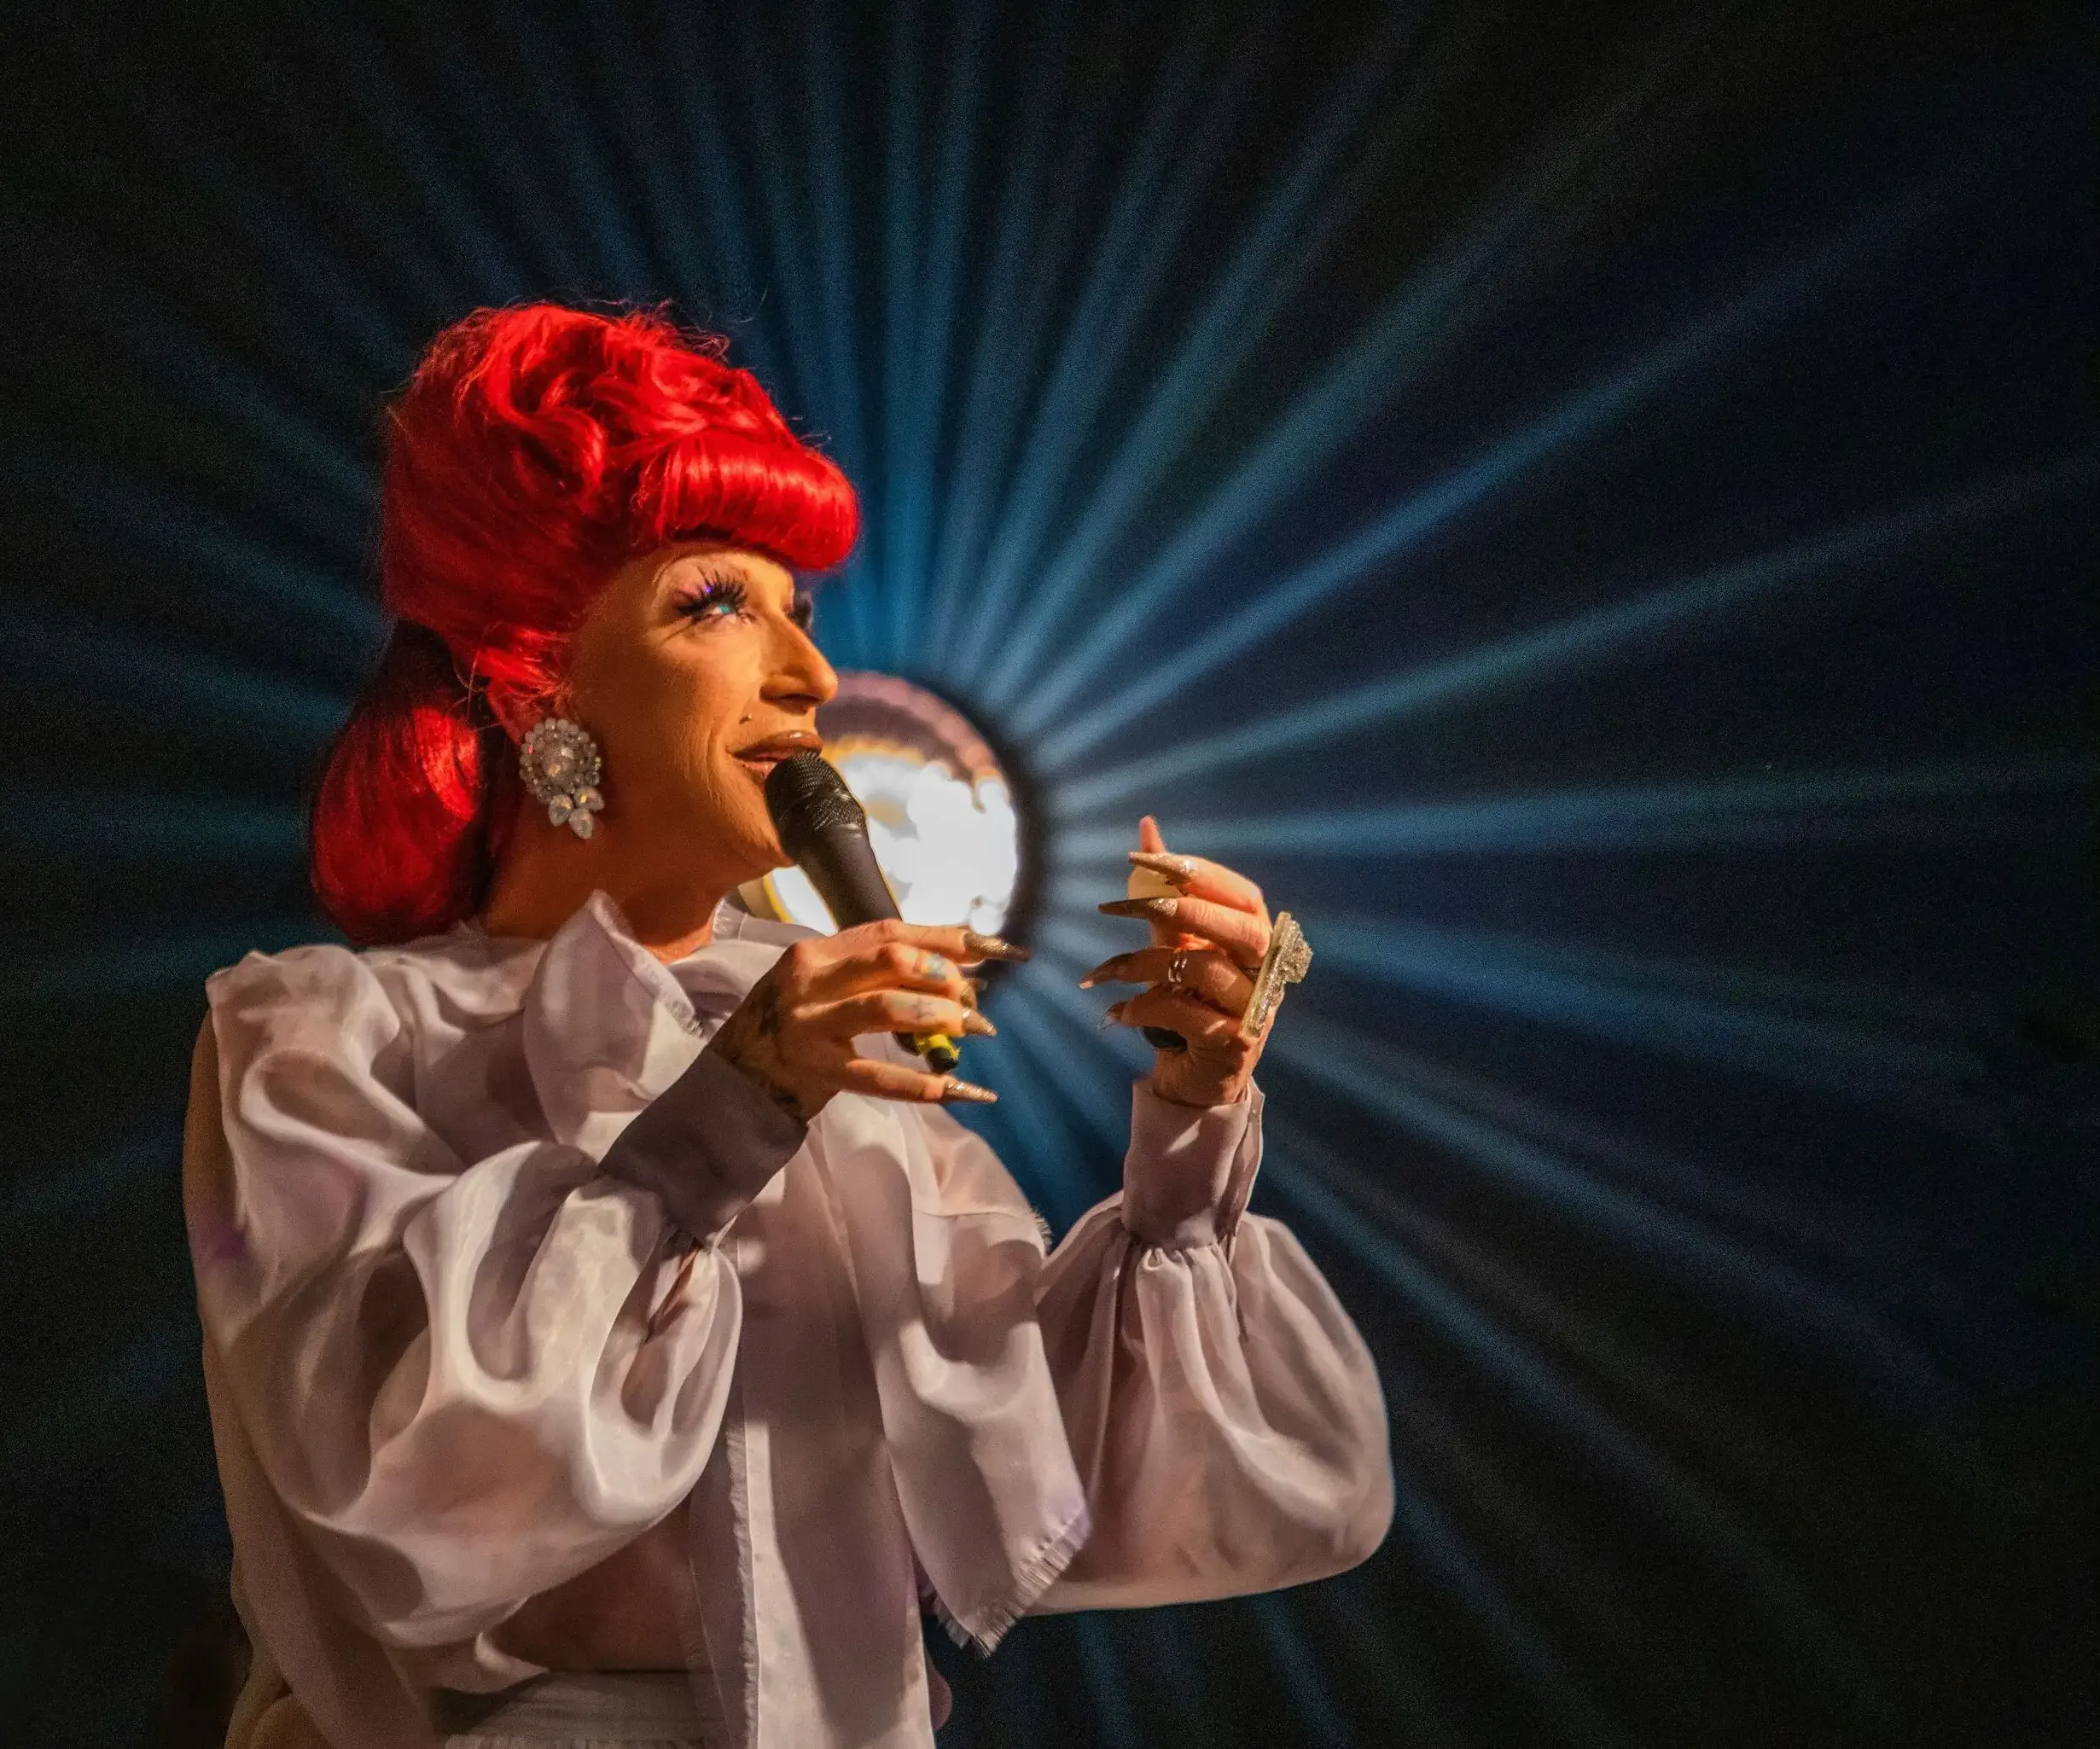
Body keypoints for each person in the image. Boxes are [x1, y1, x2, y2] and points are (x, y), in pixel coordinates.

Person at [180, 304, 1392, 1749]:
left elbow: (1061, 1476)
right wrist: (726, 1107)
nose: (809, 680)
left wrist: (1191, 1132)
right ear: (534, 677)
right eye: (713, 604)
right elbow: (404, 1483)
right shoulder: (325, 1035)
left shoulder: (847, 1078)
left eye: (797, 614)